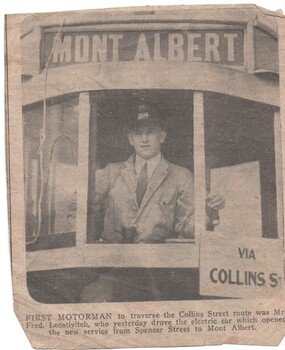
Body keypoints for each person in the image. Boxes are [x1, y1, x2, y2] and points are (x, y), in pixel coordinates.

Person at [80, 103, 225, 302]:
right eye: (138, 133)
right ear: (130, 139)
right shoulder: (110, 173)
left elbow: (187, 224)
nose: (145, 139)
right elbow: (78, 207)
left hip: (159, 272)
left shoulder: (180, 176)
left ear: (162, 136)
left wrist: (208, 212)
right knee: (92, 298)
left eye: (151, 132)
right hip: (114, 267)